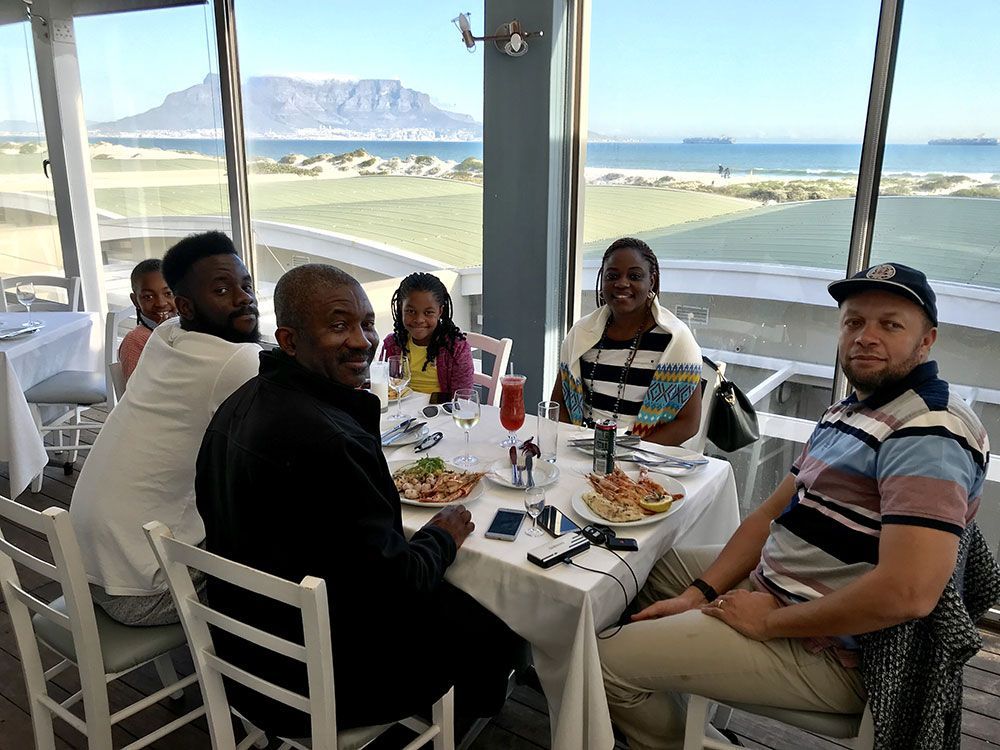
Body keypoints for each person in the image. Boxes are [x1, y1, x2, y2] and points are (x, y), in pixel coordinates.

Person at [599, 263, 991, 750]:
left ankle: (664, 720)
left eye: (890, 324)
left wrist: (766, 622)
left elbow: (907, 593)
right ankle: (680, 699)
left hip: (834, 648)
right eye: (853, 323)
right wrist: (698, 593)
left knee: (602, 664)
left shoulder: (929, 433)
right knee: (634, 570)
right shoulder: (853, 408)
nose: (866, 338)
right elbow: (769, 516)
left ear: (926, 340)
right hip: (779, 584)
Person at [195, 263, 522, 736]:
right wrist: (441, 536)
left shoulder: (235, 404)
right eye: (337, 325)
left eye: (366, 324)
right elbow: (400, 583)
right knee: (495, 618)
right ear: (288, 340)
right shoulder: (332, 443)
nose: (362, 340)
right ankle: (468, 714)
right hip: (327, 681)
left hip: (241, 655)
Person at [70, 231, 262, 626]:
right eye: (222, 290)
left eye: (246, 285)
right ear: (186, 306)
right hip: (144, 592)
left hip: (85, 565)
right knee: (282, 550)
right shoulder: (237, 361)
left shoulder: (164, 334)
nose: (243, 298)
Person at [550, 237, 702, 445]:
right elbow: (559, 403)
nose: (621, 283)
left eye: (634, 276)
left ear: (652, 281)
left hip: (642, 457)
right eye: (612, 275)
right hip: (582, 449)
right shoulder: (581, 333)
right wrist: (573, 443)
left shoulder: (676, 340)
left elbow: (688, 423)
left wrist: (629, 453)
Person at [381, 272, 473, 397]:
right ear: (400, 308)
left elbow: (463, 397)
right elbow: (384, 387)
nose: (419, 319)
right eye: (411, 311)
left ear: (440, 311)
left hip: (439, 413)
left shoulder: (456, 348)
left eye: (428, 312)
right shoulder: (392, 345)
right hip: (401, 412)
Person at [118, 258, 177, 382]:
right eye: (148, 297)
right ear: (135, 301)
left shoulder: (185, 327)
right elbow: (137, 392)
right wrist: (160, 339)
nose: (161, 303)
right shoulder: (135, 341)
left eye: (168, 293)